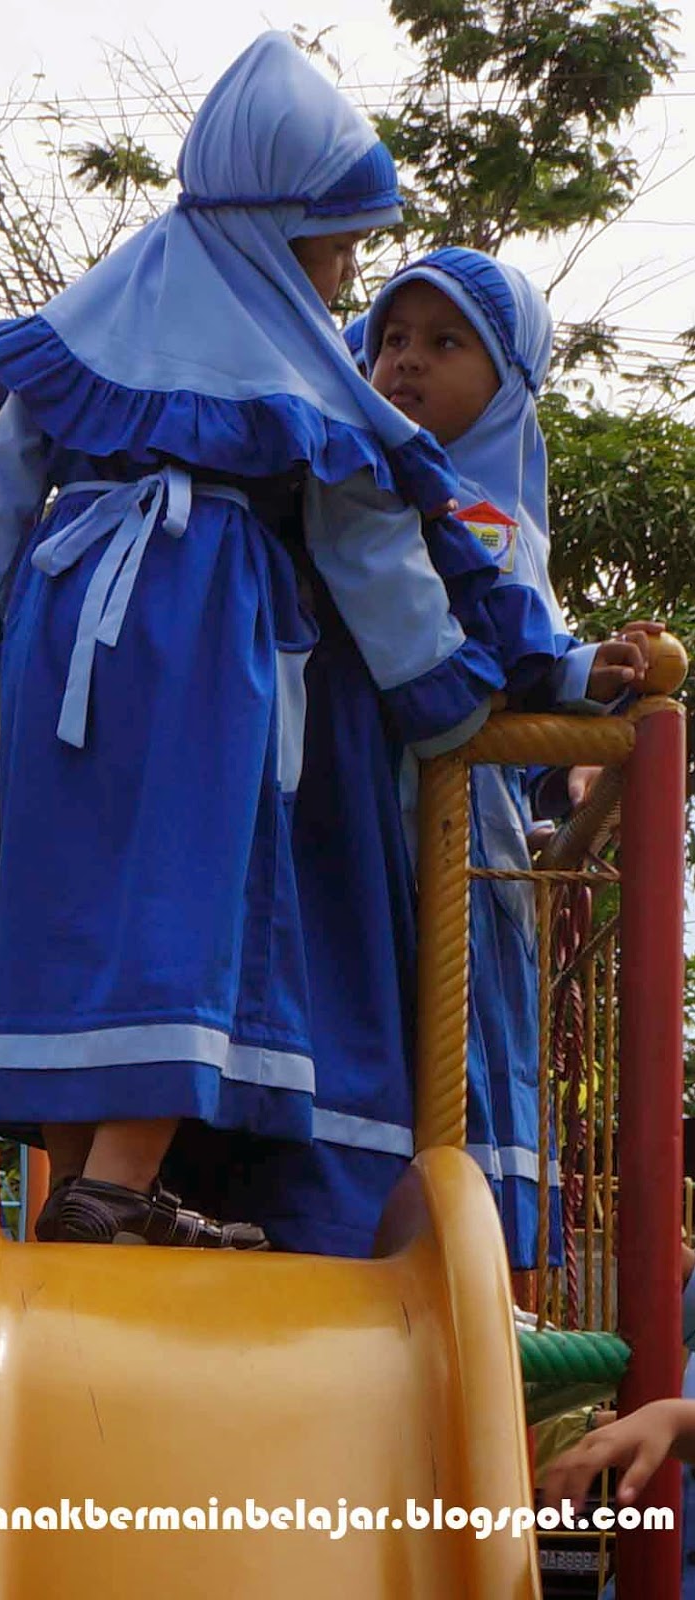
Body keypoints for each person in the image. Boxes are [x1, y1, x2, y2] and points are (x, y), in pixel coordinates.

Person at [0, 33, 567, 1249]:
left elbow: (2, 494)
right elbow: (366, 541)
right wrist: (444, 700)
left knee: (61, 880)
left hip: (64, 624)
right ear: (284, 224)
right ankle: (121, 1179)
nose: (343, 274)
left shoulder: (96, 313)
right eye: (340, 243)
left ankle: (81, 1182)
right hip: (211, 644)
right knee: (189, 887)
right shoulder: (292, 360)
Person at [343, 248, 649, 1266]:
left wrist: (575, 675)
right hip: (357, 803)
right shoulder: (364, 484)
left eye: (442, 342)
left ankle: (468, 1259)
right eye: (390, 337)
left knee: (456, 1020)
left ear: (509, 377)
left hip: (445, 819)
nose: (404, 363)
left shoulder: (482, 515)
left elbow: (509, 653)